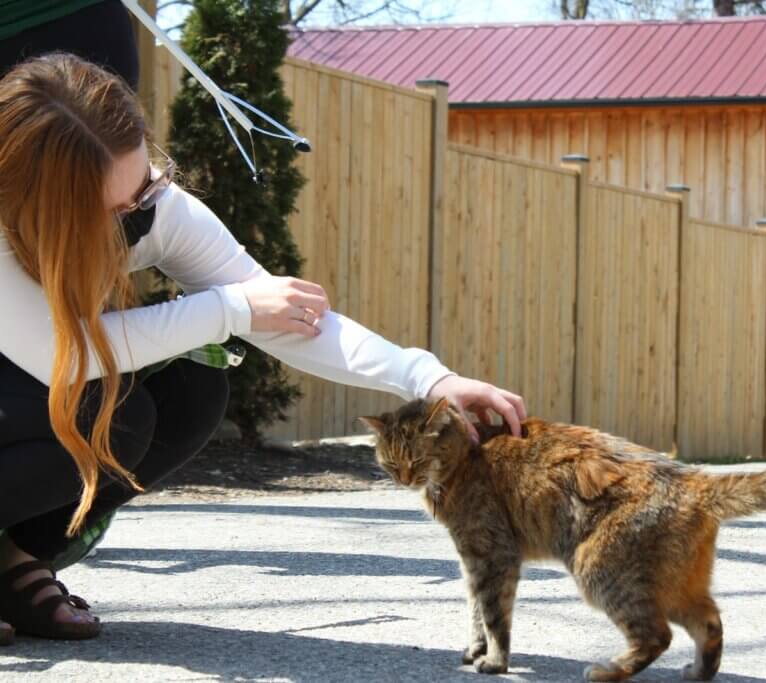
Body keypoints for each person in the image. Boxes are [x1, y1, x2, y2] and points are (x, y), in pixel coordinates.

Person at [0, 49, 524, 645]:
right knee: (100, 413)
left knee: (188, 393)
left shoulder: (151, 205)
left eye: (144, 189)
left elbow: (284, 318)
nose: (138, 219)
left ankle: (18, 561)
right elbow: (63, 356)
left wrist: (428, 379)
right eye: (111, 212)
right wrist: (228, 309)